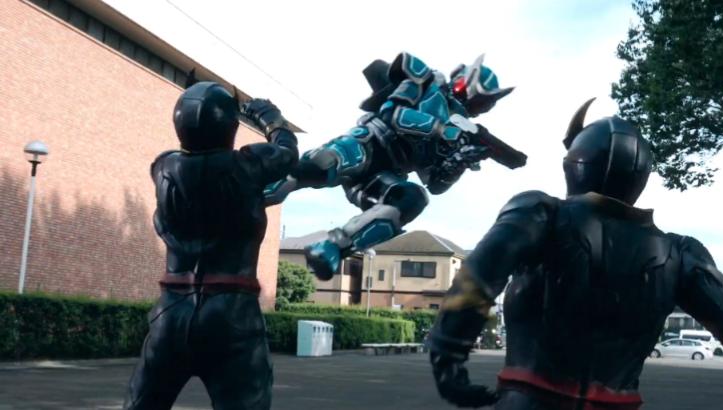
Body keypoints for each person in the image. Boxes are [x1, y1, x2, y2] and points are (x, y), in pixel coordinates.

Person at [427, 99, 723, 410]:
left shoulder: (540, 213)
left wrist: (448, 356)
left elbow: (479, 276)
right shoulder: (680, 254)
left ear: (575, 165)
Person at [265, 52, 518, 280]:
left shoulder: (461, 130)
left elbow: (435, 184)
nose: (482, 108)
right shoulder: (425, 82)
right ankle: (261, 187)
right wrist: (441, 128)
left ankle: (334, 247)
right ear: (468, 83)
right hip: (368, 143)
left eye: (486, 104)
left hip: (383, 176)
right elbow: (393, 114)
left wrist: (460, 161)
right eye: (483, 101)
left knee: (413, 198)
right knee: (322, 166)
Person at [123, 81, 298, 410]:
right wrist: (270, 118)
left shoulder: (163, 167)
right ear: (231, 127)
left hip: (171, 312)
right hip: (232, 312)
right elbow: (287, 153)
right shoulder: (248, 164)